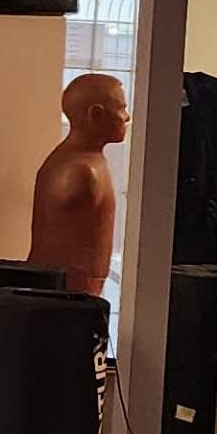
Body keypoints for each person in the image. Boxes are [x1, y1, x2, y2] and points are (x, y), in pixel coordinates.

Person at [26, 73, 129, 291]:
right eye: (121, 108)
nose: (127, 117)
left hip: (71, 298)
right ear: (96, 114)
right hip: (68, 299)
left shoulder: (85, 161)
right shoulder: (81, 172)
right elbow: (62, 254)